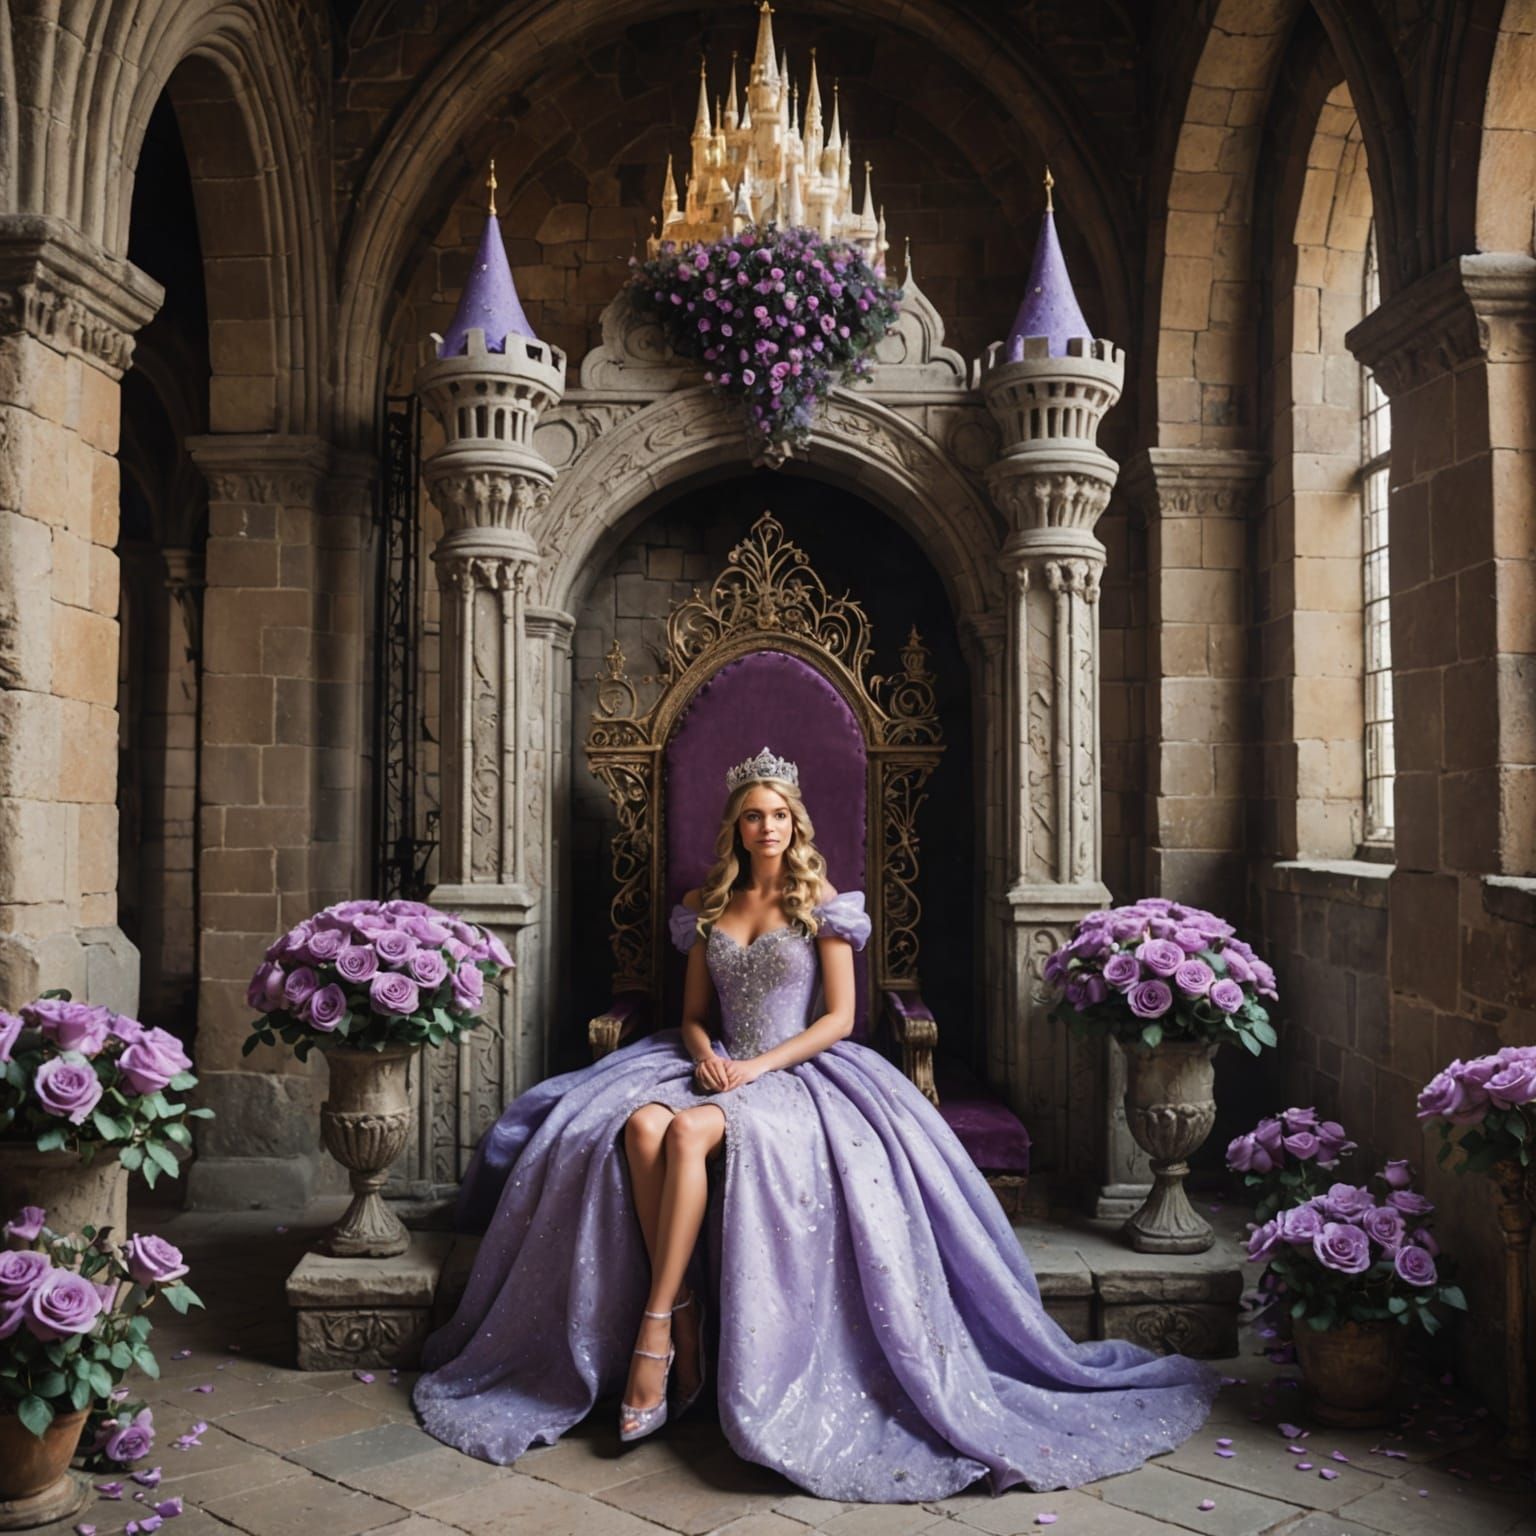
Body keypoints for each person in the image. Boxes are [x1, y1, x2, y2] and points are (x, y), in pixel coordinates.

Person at [414, 747, 1219, 1502]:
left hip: (797, 1072)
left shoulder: (827, 908)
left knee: (688, 1134)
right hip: (710, 1062)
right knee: (639, 1130)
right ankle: (684, 1319)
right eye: (753, 815)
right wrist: (707, 1057)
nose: (767, 826)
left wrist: (757, 1069)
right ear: (736, 825)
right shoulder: (706, 906)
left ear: (796, 823)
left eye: (778, 814)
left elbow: (839, 1018)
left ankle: (659, 1336)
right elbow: (692, 1015)